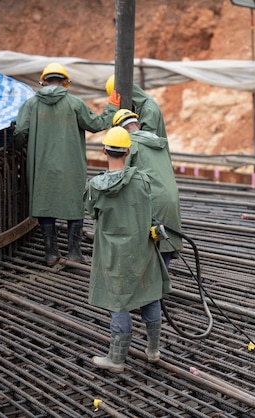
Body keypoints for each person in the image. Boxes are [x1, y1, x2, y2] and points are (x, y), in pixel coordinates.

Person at [84, 126, 171, 374]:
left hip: (114, 255)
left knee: (119, 302)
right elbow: (148, 210)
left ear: (104, 151)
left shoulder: (95, 186)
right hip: (143, 249)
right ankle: (153, 351)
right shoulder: (142, 180)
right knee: (150, 294)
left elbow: (93, 213)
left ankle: (117, 360)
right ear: (128, 151)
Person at [14, 62, 120, 266]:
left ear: (43, 82)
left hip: (41, 166)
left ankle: (51, 254)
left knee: (45, 205)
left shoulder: (31, 104)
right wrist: (112, 108)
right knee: (74, 204)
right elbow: (96, 125)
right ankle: (74, 253)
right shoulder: (75, 103)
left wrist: (21, 145)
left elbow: (20, 132)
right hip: (71, 166)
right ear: (65, 83)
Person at [112, 109, 183, 267]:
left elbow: (120, 175)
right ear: (138, 124)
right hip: (171, 196)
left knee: (150, 243)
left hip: (152, 198)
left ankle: (154, 285)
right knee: (165, 240)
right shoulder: (158, 142)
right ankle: (161, 281)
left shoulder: (130, 144)